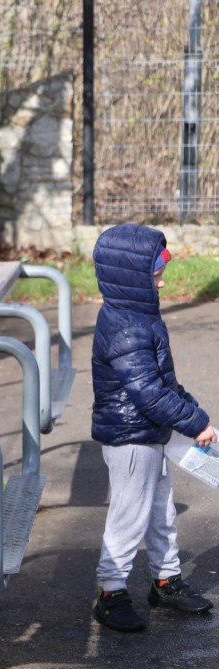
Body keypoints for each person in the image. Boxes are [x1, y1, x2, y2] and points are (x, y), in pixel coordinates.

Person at [89, 223, 217, 633]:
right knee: (129, 516)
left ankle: (165, 580)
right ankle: (110, 594)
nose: (161, 285)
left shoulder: (138, 316)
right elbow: (147, 394)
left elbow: (162, 380)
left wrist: (189, 405)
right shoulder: (127, 326)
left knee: (160, 512)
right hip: (130, 440)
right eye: (156, 277)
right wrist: (195, 422)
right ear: (131, 278)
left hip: (148, 434)